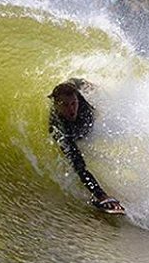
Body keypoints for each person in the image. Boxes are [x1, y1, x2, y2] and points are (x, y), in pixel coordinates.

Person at [48, 78, 125, 213]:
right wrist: (101, 195)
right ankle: (100, 196)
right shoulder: (60, 130)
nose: (71, 109)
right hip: (74, 133)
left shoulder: (79, 99)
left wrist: (88, 85)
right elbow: (80, 168)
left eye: (73, 103)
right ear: (56, 105)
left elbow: (73, 82)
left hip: (87, 121)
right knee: (77, 160)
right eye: (65, 105)